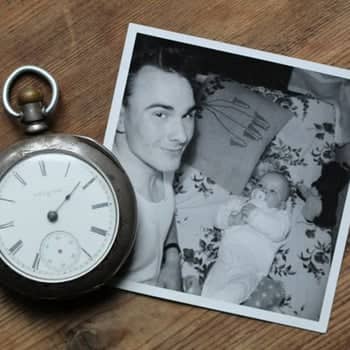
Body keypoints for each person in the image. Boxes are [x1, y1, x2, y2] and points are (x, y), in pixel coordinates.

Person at [113, 45, 198, 290]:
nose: (181, 136)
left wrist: (172, 259)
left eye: (188, 115)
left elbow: (164, 214)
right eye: (160, 114)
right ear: (119, 117)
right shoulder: (115, 211)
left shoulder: (159, 158)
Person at [184, 172, 291, 304]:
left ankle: (213, 304)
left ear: (282, 204)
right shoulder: (238, 202)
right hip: (225, 259)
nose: (263, 190)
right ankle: (201, 299)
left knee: (237, 290)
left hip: (250, 269)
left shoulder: (279, 217)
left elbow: (278, 232)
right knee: (213, 285)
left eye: (272, 191)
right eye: (261, 185)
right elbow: (218, 218)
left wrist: (254, 215)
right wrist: (232, 219)